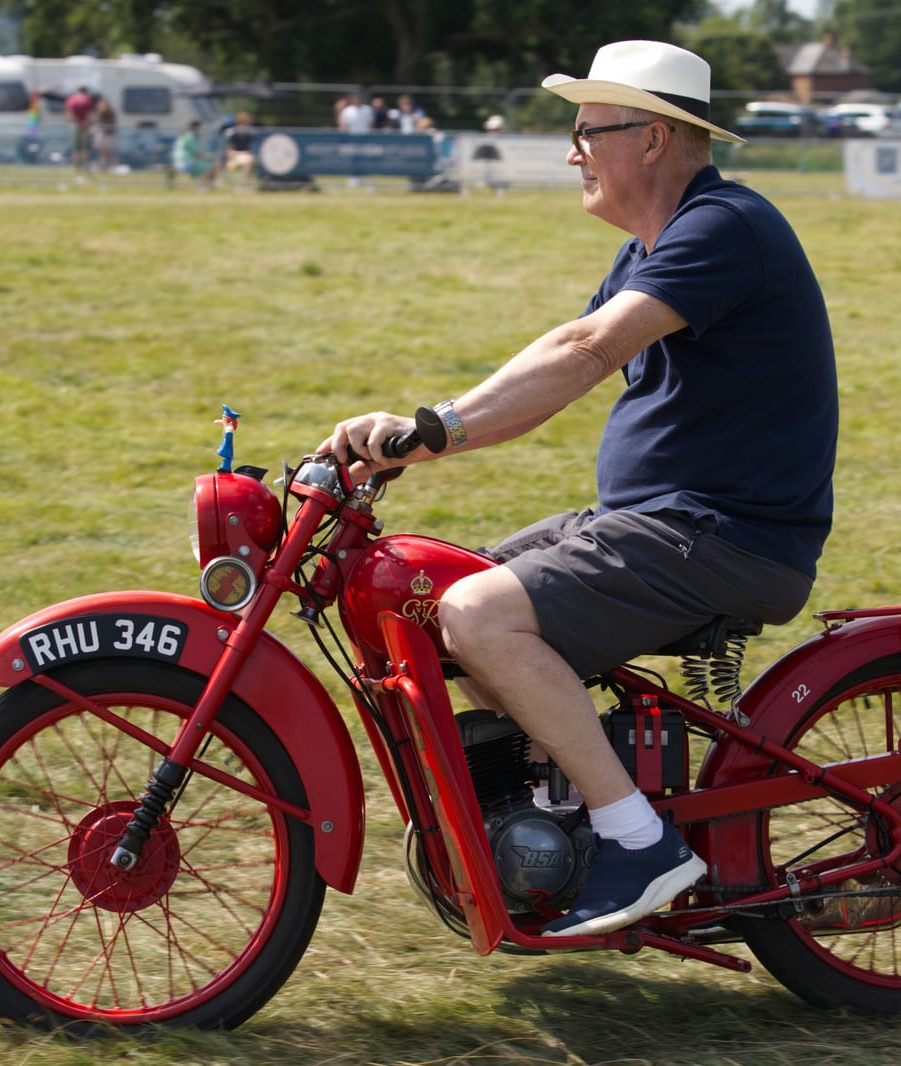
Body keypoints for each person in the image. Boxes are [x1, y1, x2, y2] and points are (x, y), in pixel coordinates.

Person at [321, 40, 836, 939]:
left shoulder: (724, 227)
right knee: (428, 596)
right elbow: (569, 341)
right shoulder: (662, 241)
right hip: (657, 523)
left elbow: (586, 354)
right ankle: (539, 820)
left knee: (480, 616)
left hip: (720, 536)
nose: (572, 151)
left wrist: (429, 430)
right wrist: (421, 429)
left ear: (654, 138)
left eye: (587, 129)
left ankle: (635, 841)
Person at [171, 119, 217, 189]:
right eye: (200, 128)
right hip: (185, 162)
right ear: (196, 127)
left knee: (207, 165)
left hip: (178, 162)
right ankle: (204, 187)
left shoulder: (184, 135)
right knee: (210, 167)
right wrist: (210, 157)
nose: (201, 130)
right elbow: (197, 154)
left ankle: (209, 186)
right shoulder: (190, 136)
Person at [222, 112, 257, 189]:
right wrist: (241, 153)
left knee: (249, 161)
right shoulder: (233, 135)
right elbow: (229, 152)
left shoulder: (249, 135)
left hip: (244, 158)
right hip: (234, 159)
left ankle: (246, 185)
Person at [65, 84, 94, 171]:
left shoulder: (71, 99)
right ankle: (86, 167)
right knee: (86, 148)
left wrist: (76, 122)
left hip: (75, 125)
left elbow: (69, 114)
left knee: (76, 148)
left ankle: (75, 168)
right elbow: (89, 115)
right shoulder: (87, 99)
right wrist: (86, 124)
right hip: (85, 126)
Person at [92, 97, 118, 173]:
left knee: (103, 155)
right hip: (109, 135)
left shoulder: (100, 113)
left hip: (102, 135)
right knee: (111, 154)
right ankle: (112, 169)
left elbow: (97, 123)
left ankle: (104, 170)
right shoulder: (110, 112)